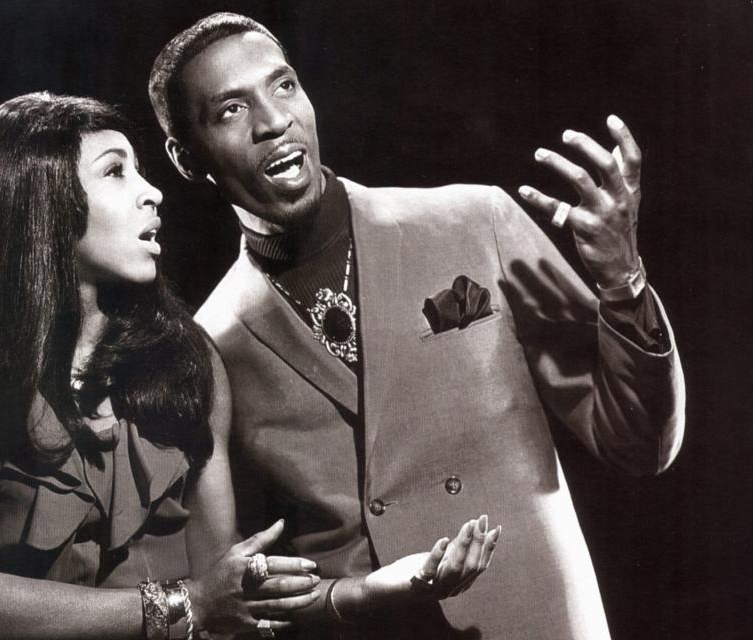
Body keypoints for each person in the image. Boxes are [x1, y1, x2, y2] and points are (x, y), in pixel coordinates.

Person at [0, 92, 494, 640]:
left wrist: (372, 590)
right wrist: (182, 605)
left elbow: (228, 594)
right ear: (40, 207)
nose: (153, 193)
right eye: (115, 172)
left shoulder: (187, 366)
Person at [147, 13, 685, 639]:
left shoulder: (475, 220)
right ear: (187, 158)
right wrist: (351, 598)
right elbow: (238, 593)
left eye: (284, 85)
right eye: (231, 111)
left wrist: (623, 281)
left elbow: (639, 443)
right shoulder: (210, 344)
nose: (273, 121)